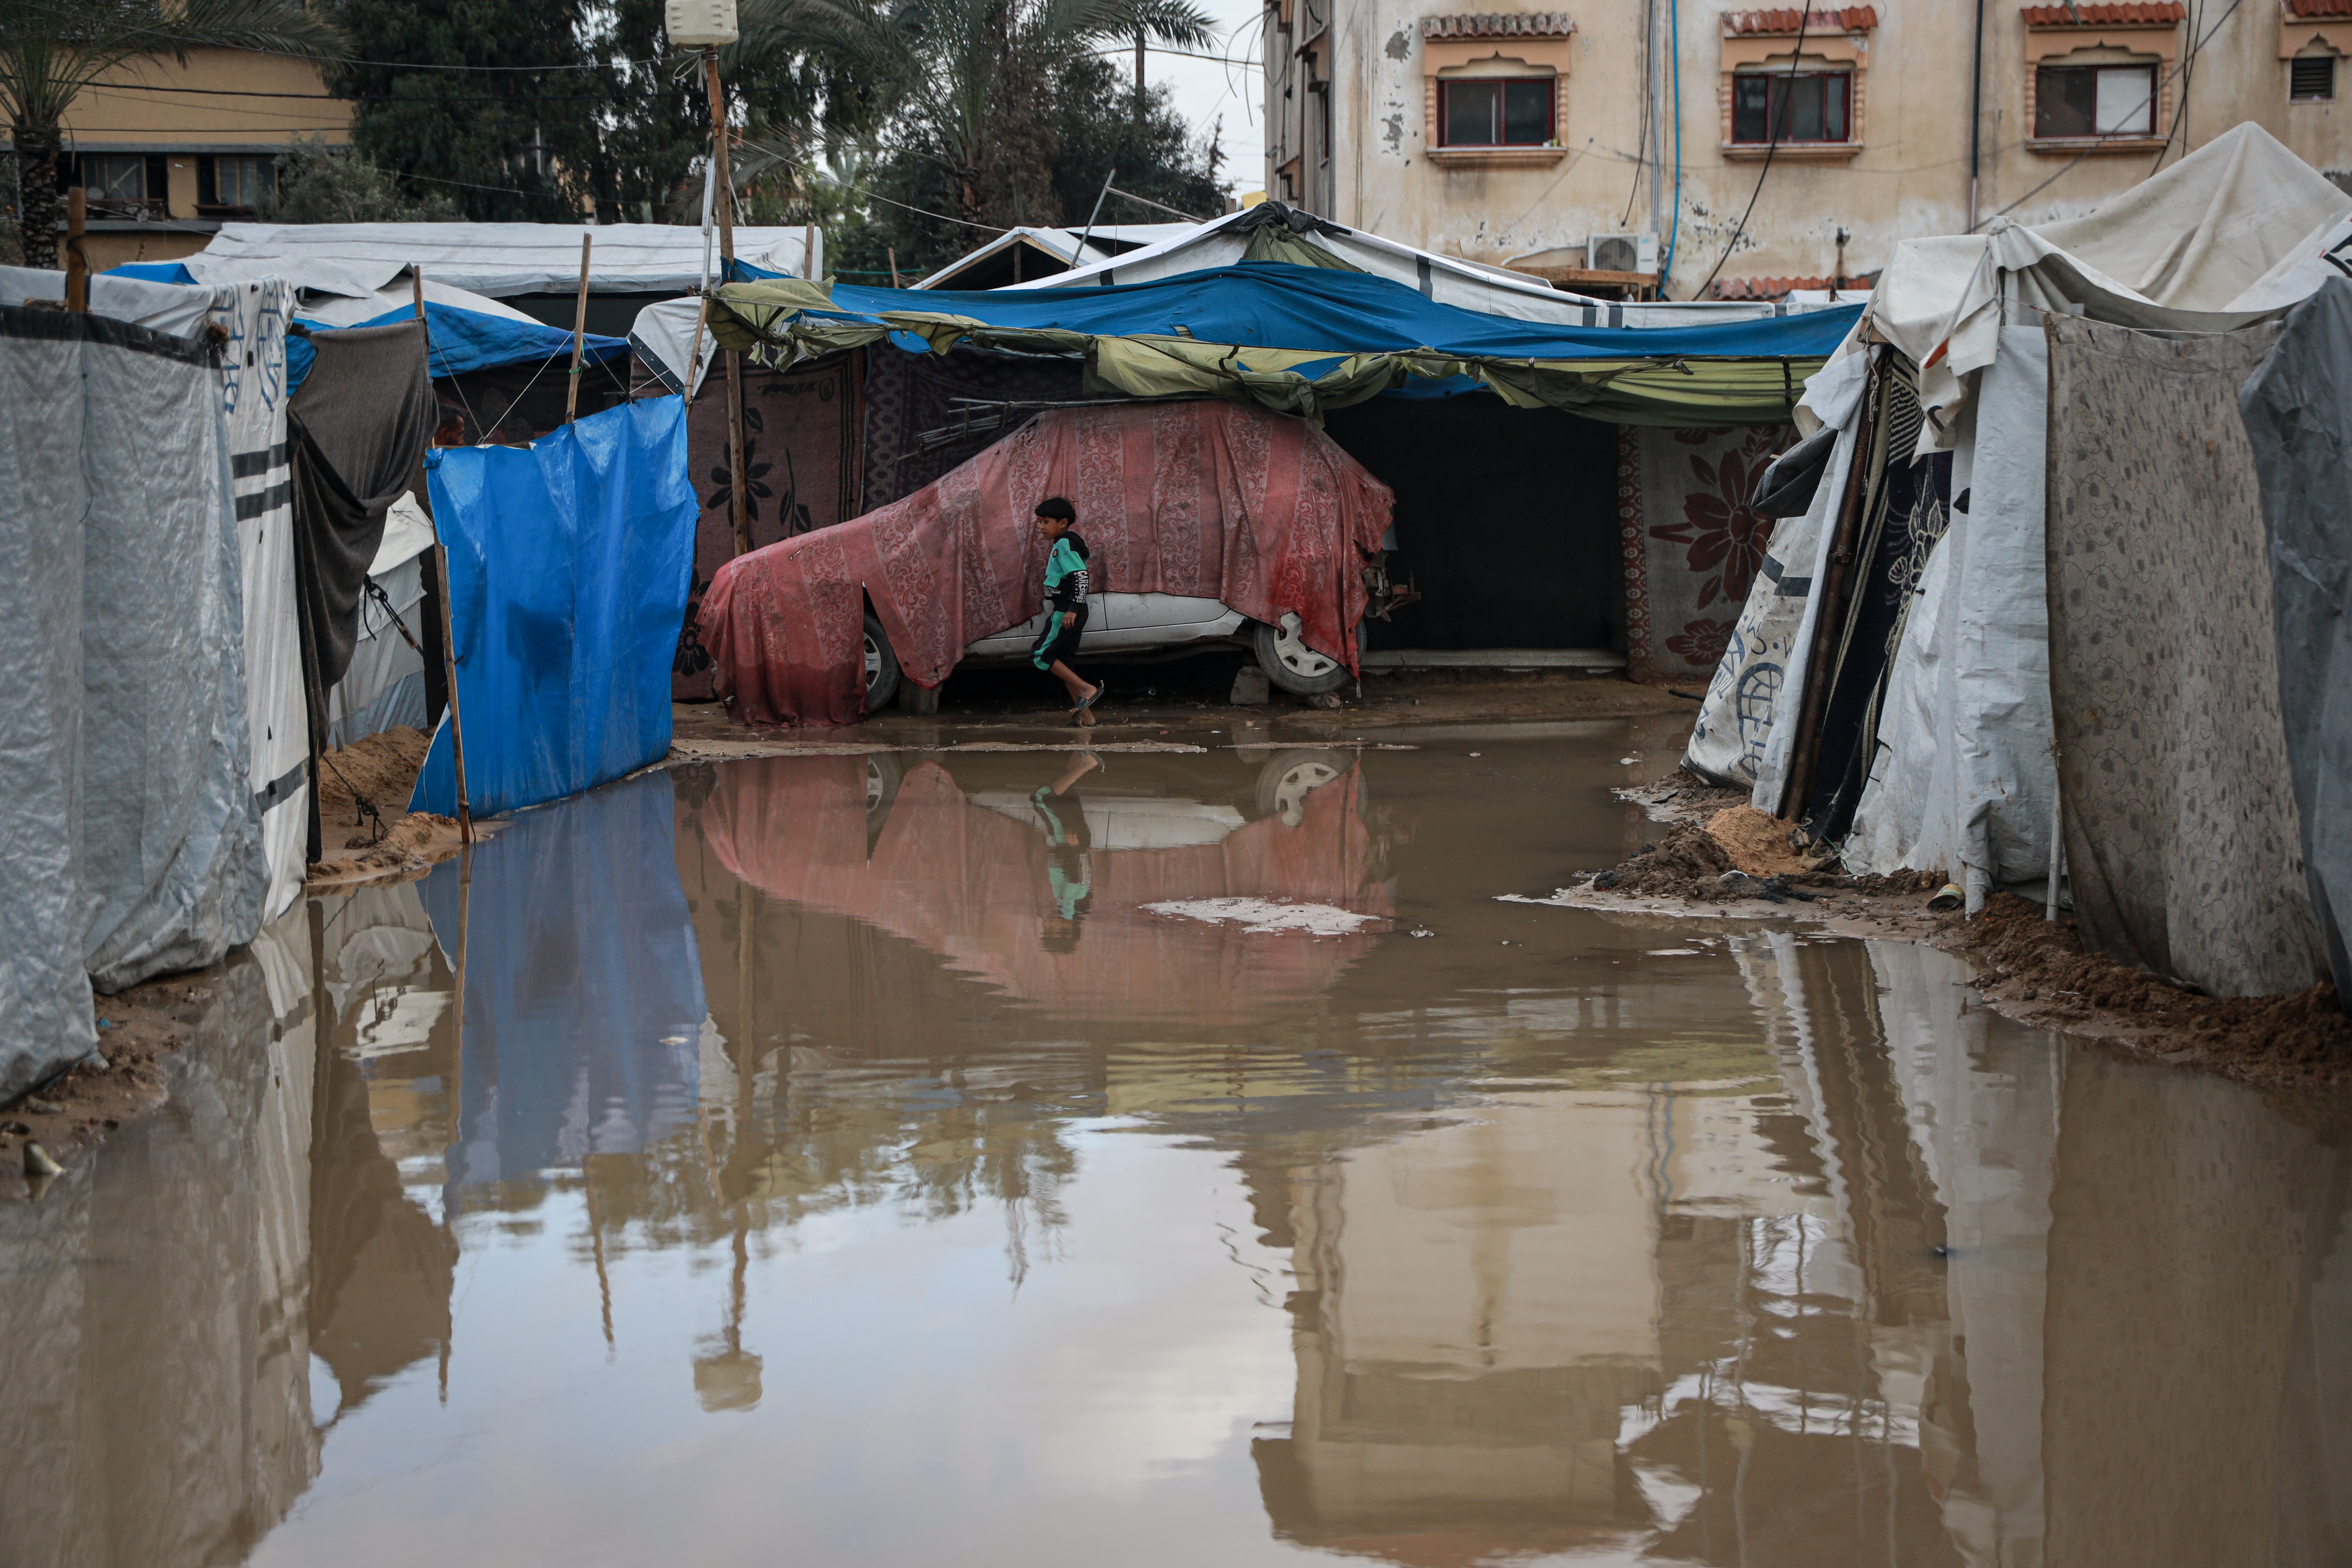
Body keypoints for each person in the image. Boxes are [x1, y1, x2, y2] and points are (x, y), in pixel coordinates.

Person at [1029, 497, 1103, 726]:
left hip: (1067, 612)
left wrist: (1072, 608)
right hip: (1071, 611)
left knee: (1041, 654)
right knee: (1065, 663)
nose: (1041, 527)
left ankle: (1086, 688)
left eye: (1046, 522)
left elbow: (1080, 576)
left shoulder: (1064, 544)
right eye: (1040, 522)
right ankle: (1087, 720)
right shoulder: (1063, 543)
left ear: (1063, 523)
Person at [1031, 751, 1098, 952]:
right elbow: (1081, 873)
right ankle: (1084, 765)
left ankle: (1081, 749)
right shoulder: (1070, 900)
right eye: (1051, 930)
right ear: (1067, 929)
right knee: (1041, 798)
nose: (1046, 925)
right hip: (1067, 839)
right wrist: (1076, 848)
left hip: (1069, 840)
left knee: (1063, 792)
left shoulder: (1068, 902)